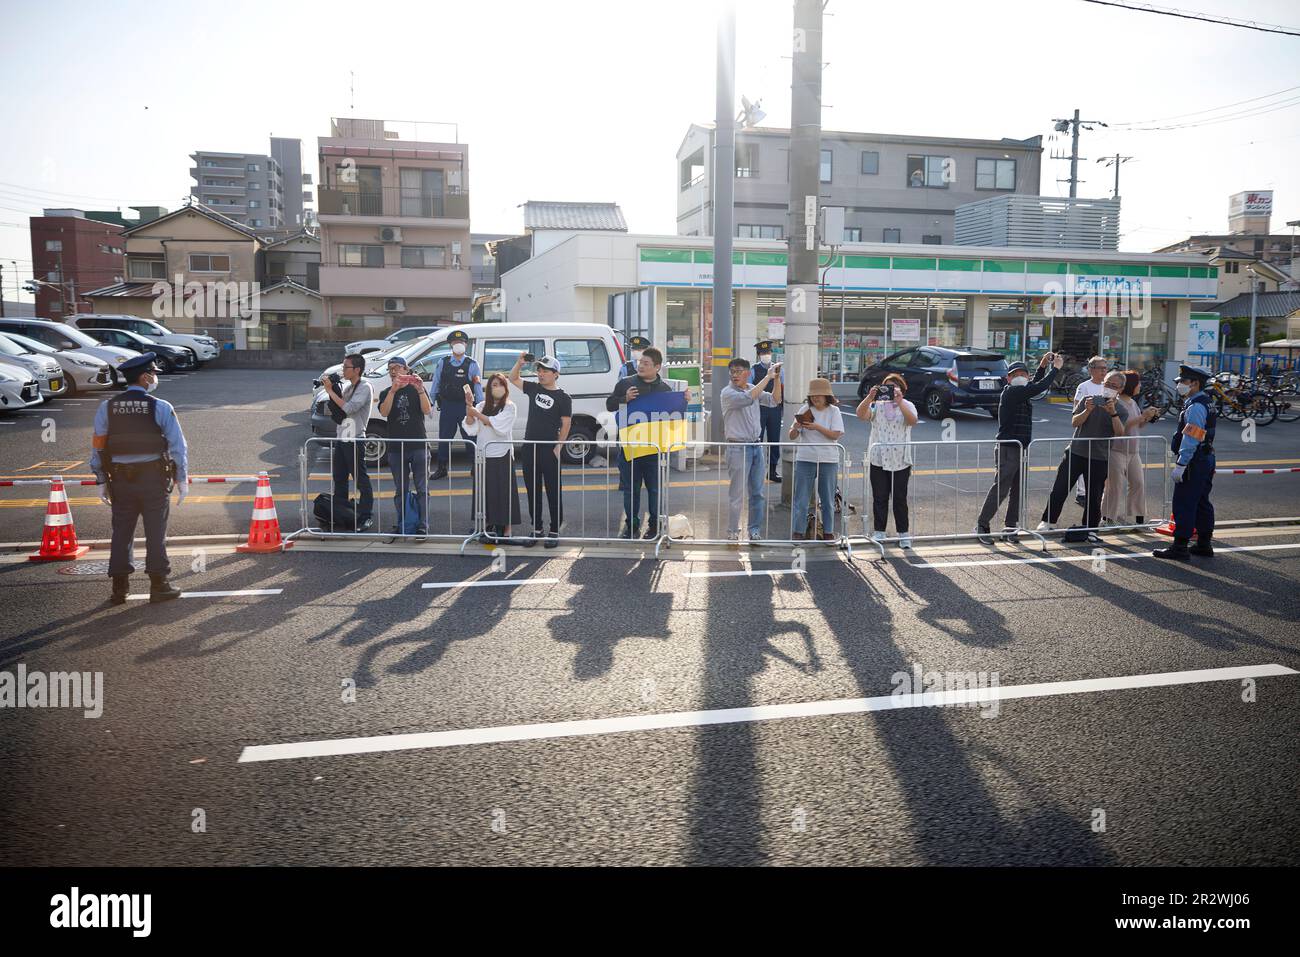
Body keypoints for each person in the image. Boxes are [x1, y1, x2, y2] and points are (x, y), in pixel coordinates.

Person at [91, 352, 189, 604]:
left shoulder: (107, 407)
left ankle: (119, 589)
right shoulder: (161, 406)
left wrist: (101, 479)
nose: (155, 378)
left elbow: (98, 447)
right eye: (154, 374)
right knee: (156, 531)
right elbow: (178, 448)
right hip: (152, 479)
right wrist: (182, 479)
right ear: (145, 377)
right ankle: (159, 585)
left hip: (121, 481)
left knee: (122, 531)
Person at [975, 352, 1063, 543]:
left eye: (1023, 374)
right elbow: (1039, 386)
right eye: (1015, 375)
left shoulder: (1022, 391)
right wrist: (1055, 368)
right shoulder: (1011, 392)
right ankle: (982, 524)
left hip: (1021, 448)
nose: (1020, 377)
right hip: (1009, 447)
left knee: (1018, 489)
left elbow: (1033, 385)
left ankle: (1010, 527)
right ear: (1008, 378)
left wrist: (1041, 366)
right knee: (1002, 488)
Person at [1037, 368, 1130, 540]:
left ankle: (1091, 528)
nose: (1108, 387)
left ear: (1120, 390)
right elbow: (1074, 422)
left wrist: (1113, 413)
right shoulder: (1089, 400)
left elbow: (1119, 433)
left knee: (1094, 495)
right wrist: (1087, 410)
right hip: (1076, 451)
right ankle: (1048, 521)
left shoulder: (1121, 409)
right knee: (1060, 488)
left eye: (1113, 386)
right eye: (1107, 383)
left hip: (1099, 456)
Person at [607, 346, 675, 539]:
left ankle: (654, 526)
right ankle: (632, 525)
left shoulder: (665, 390)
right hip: (629, 448)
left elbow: (673, 419)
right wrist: (624, 398)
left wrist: (683, 402)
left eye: (646, 364)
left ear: (657, 367)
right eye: (640, 363)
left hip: (654, 450)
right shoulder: (625, 384)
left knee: (654, 489)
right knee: (631, 489)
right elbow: (610, 405)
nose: (641, 366)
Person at [1154, 365, 1216, 561]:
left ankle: (1180, 547)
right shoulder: (1206, 402)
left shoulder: (1196, 405)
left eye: (1183, 381)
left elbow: (1192, 437)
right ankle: (1204, 544)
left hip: (1194, 460)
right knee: (1201, 502)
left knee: (1184, 503)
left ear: (1195, 383)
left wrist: (1181, 464)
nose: (1179, 385)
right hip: (1205, 458)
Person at [719, 356, 783, 545]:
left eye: (739, 371)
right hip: (737, 447)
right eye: (732, 371)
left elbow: (774, 400)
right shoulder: (727, 392)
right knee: (737, 493)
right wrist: (768, 377)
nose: (734, 374)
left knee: (757, 493)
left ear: (748, 373)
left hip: (756, 445)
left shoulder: (752, 388)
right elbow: (749, 399)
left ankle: (754, 530)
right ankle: (732, 531)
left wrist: (777, 379)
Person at [510, 353, 571, 548]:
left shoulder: (563, 397)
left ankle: (554, 530)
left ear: (556, 374)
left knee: (553, 491)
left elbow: (566, 423)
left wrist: (559, 446)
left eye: (545, 371)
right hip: (530, 447)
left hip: (549, 449)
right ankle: (536, 529)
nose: (540, 374)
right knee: (532, 491)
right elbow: (513, 379)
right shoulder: (534, 388)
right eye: (539, 370)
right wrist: (519, 364)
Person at [856, 373, 918, 547]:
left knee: (900, 498)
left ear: (902, 389)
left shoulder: (907, 405)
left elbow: (913, 421)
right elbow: (861, 414)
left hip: (901, 459)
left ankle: (904, 534)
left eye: (893, 387)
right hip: (878, 459)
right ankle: (879, 532)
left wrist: (899, 402)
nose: (890, 391)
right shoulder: (877, 405)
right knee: (880, 497)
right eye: (886, 387)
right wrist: (869, 398)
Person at [377, 356, 432, 542]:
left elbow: (427, 410)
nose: (393, 371)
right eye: (390, 368)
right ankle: (403, 523)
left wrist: (420, 389)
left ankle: (423, 526)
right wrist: (393, 391)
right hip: (396, 447)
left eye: (397, 367)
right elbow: (384, 412)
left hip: (418, 444)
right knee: (401, 489)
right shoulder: (386, 392)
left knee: (422, 488)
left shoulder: (417, 388)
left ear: (406, 369)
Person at [462, 373, 520, 543]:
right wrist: (469, 406)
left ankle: (507, 528)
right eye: (494, 385)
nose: (497, 387)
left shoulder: (510, 407)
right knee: (484, 491)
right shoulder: (481, 405)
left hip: (502, 453)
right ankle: (487, 526)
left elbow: (498, 425)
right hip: (483, 454)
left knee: (504, 492)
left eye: (500, 384)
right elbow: (470, 426)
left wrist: (476, 414)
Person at [322, 352, 374, 532]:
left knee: (361, 479)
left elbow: (350, 408)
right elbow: (339, 410)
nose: (343, 370)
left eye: (346, 367)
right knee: (339, 478)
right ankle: (341, 514)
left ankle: (366, 516)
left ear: (357, 369)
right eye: (343, 366)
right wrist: (333, 390)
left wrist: (330, 391)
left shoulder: (365, 386)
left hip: (356, 439)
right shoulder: (348, 388)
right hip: (342, 437)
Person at [1101, 369, 1160, 528]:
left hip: (1133, 452)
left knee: (1138, 483)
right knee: (1115, 486)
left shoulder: (1133, 402)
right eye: (1138, 383)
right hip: (1116, 450)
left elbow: (1138, 425)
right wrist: (1142, 416)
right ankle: (1107, 518)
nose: (1140, 386)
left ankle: (1138, 518)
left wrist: (1148, 417)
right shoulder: (1116, 402)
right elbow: (1123, 426)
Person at [791, 377, 845, 543]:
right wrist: (796, 427)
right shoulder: (804, 409)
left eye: (819, 395)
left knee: (828, 498)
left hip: (828, 459)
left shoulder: (834, 411)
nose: (815, 398)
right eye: (813, 395)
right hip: (805, 458)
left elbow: (836, 434)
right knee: (801, 498)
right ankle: (798, 532)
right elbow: (791, 436)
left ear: (827, 396)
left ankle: (828, 531)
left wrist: (816, 427)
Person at [428, 329, 482, 481]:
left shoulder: (471, 364)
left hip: (466, 406)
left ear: (466, 345)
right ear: (451, 345)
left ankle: (475, 466)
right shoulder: (443, 362)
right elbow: (436, 383)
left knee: (470, 436)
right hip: (448, 406)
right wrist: (431, 403)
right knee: (445, 438)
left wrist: (481, 406)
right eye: (455, 342)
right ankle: (442, 468)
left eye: (462, 342)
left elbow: (477, 386)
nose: (458, 345)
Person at [1071, 355, 1111, 506]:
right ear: (1091, 370)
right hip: (1086, 429)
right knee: (1083, 461)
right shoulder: (1084, 386)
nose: (1103, 371)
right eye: (1101, 368)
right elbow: (1076, 408)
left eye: (1105, 368)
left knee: (1098, 465)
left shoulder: (1108, 387)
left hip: (1103, 431)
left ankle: (1098, 494)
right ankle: (1081, 493)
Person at [750, 339, 784, 483]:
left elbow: (782, 387)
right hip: (758, 408)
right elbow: (750, 390)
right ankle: (754, 470)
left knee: (774, 439)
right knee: (757, 438)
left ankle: (772, 470)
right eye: (763, 353)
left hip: (775, 409)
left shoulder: (778, 369)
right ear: (759, 355)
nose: (766, 354)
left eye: (768, 352)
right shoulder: (753, 369)